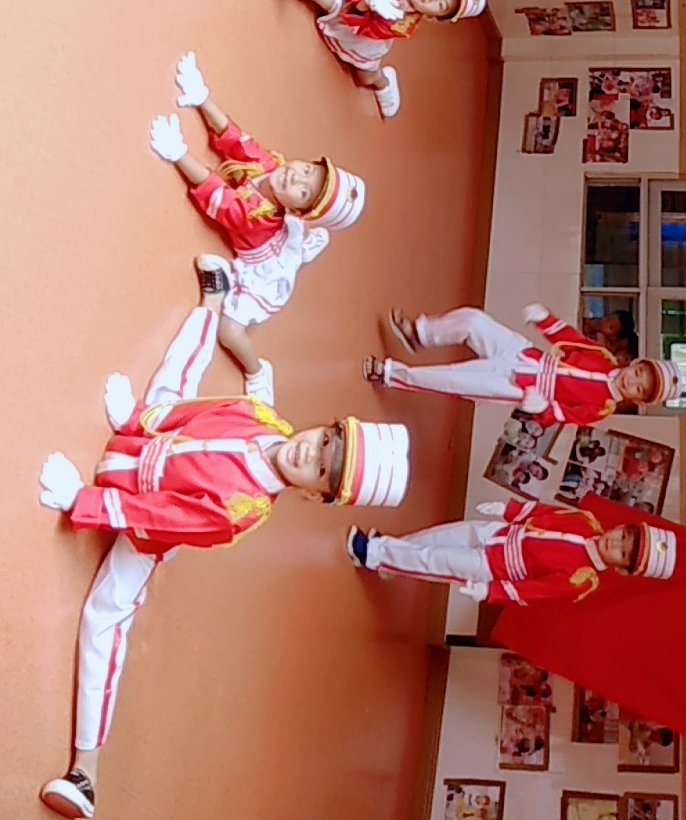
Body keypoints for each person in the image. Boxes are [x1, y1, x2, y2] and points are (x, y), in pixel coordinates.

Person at [38, 256, 410, 820]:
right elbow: (196, 408)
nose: (309, 453)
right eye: (325, 441)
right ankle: (211, 300)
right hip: (146, 442)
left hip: (145, 515)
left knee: (105, 616)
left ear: (316, 495)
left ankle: (86, 771)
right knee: (177, 384)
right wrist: (139, 420)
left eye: (322, 470)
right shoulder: (266, 419)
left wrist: (82, 502)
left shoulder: (242, 509)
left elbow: (161, 517)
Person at [148, 53, 365, 400]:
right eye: (307, 170)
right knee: (290, 245)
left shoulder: (258, 217)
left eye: (303, 191)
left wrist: (179, 155)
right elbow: (239, 142)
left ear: (296, 210)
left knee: (229, 332)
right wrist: (203, 98)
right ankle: (301, 248)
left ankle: (257, 371)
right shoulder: (272, 167)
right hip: (279, 239)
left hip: (261, 272)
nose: (296, 177)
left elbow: (219, 197)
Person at [363, 303, 680, 427]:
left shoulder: (602, 408)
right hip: (525, 354)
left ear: (637, 399)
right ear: (637, 363)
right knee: (474, 321)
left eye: (639, 389)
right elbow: (570, 339)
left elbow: (561, 415)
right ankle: (420, 333)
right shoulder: (605, 358)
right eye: (639, 373)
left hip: (519, 387)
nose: (632, 381)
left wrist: (541, 407)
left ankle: (390, 374)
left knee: (453, 379)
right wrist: (546, 320)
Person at [265, 0, 486, 119]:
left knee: (365, 77)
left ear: (432, 17)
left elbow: (366, 31)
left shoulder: (404, 24)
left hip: (359, 35)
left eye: (440, 5)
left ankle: (383, 83)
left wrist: (367, 7)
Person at [345, 497, 676, 605]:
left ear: (621, 568)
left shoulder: (583, 578)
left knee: (435, 561)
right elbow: (544, 512)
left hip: (491, 567)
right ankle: (390, 553)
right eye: (624, 536)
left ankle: (372, 554)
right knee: (435, 538)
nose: (616, 543)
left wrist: (491, 592)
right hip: (497, 533)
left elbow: (533, 590)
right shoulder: (586, 521)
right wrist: (509, 510)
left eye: (623, 553)